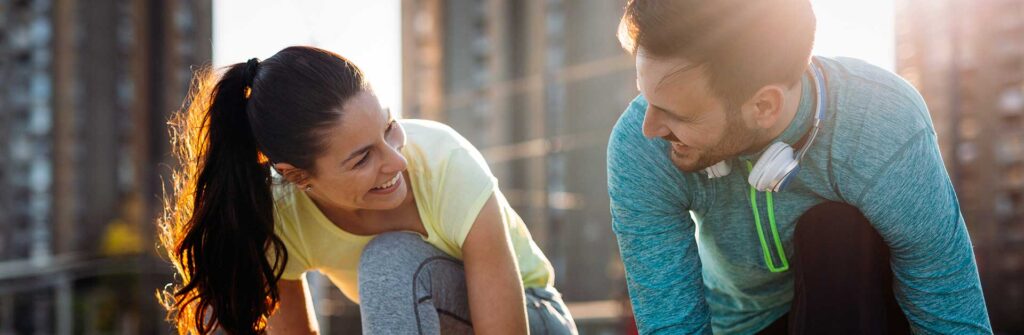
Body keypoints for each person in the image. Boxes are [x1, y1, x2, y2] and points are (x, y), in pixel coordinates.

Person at [606, 0, 992, 334]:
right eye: (646, 97)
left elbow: (947, 303)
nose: (649, 128)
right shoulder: (638, 147)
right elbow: (672, 324)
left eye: (675, 114)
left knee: (835, 230)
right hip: (740, 326)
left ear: (764, 107)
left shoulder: (884, 121)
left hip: (867, 317)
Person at [158, 46, 577, 335]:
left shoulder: (446, 160)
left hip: (535, 316)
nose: (396, 161)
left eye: (389, 127)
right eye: (361, 158)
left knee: (388, 260)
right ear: (298, 176)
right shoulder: (280, 215)